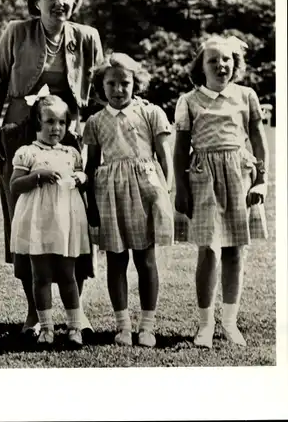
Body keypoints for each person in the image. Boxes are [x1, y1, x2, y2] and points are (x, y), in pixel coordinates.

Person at [0, 0, 103, 336]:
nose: (60, 2)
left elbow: (98, 91)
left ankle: (74, 312)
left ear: (75, 0)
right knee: (24, 218)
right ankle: (35, 312)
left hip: (72, 137)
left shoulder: (87, 36)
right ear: (36, 2)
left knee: (73, 219)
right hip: (20, 134)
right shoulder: (17, 31)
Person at [173, 35, 269, 349]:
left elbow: (257, 140)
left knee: (235, 252)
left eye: (226, 59)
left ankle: (229, 322)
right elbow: (180, 149)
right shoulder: (189, 100)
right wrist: (181, 188)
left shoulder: (247, 95)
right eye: (212, 60)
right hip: (203, 178)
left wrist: (261, 180)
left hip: (240, 176)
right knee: (210, 250)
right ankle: (205, 325)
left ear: (235, 64)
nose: (220, 65)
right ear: (201, 67)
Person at [83, 53, 174, 348]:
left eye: (125, 83)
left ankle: (147, 326)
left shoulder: (151, 113)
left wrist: (166, 191)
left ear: (136, 83)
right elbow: (91, 165)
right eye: (112, 83)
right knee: (116, 261)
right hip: (109, 193)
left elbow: (164, 156)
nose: (119, 89)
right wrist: (92, 206)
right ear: (101, 85)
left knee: (146, 260)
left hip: (145, 190)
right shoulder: (95, 121)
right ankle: (122, 325)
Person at [10, 93, 89, 346]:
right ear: (37, 123)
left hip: (65, 222)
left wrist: (81, 179)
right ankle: (46, 328)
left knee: (68, 275)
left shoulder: (71, 153)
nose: (57, 128)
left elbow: (83, 176)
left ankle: (74, 327)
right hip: (37, 223)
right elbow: (14, 185)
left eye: (62, 123)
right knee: (40, 276)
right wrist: (37, 177)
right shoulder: (27, 153)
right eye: (50, 122)